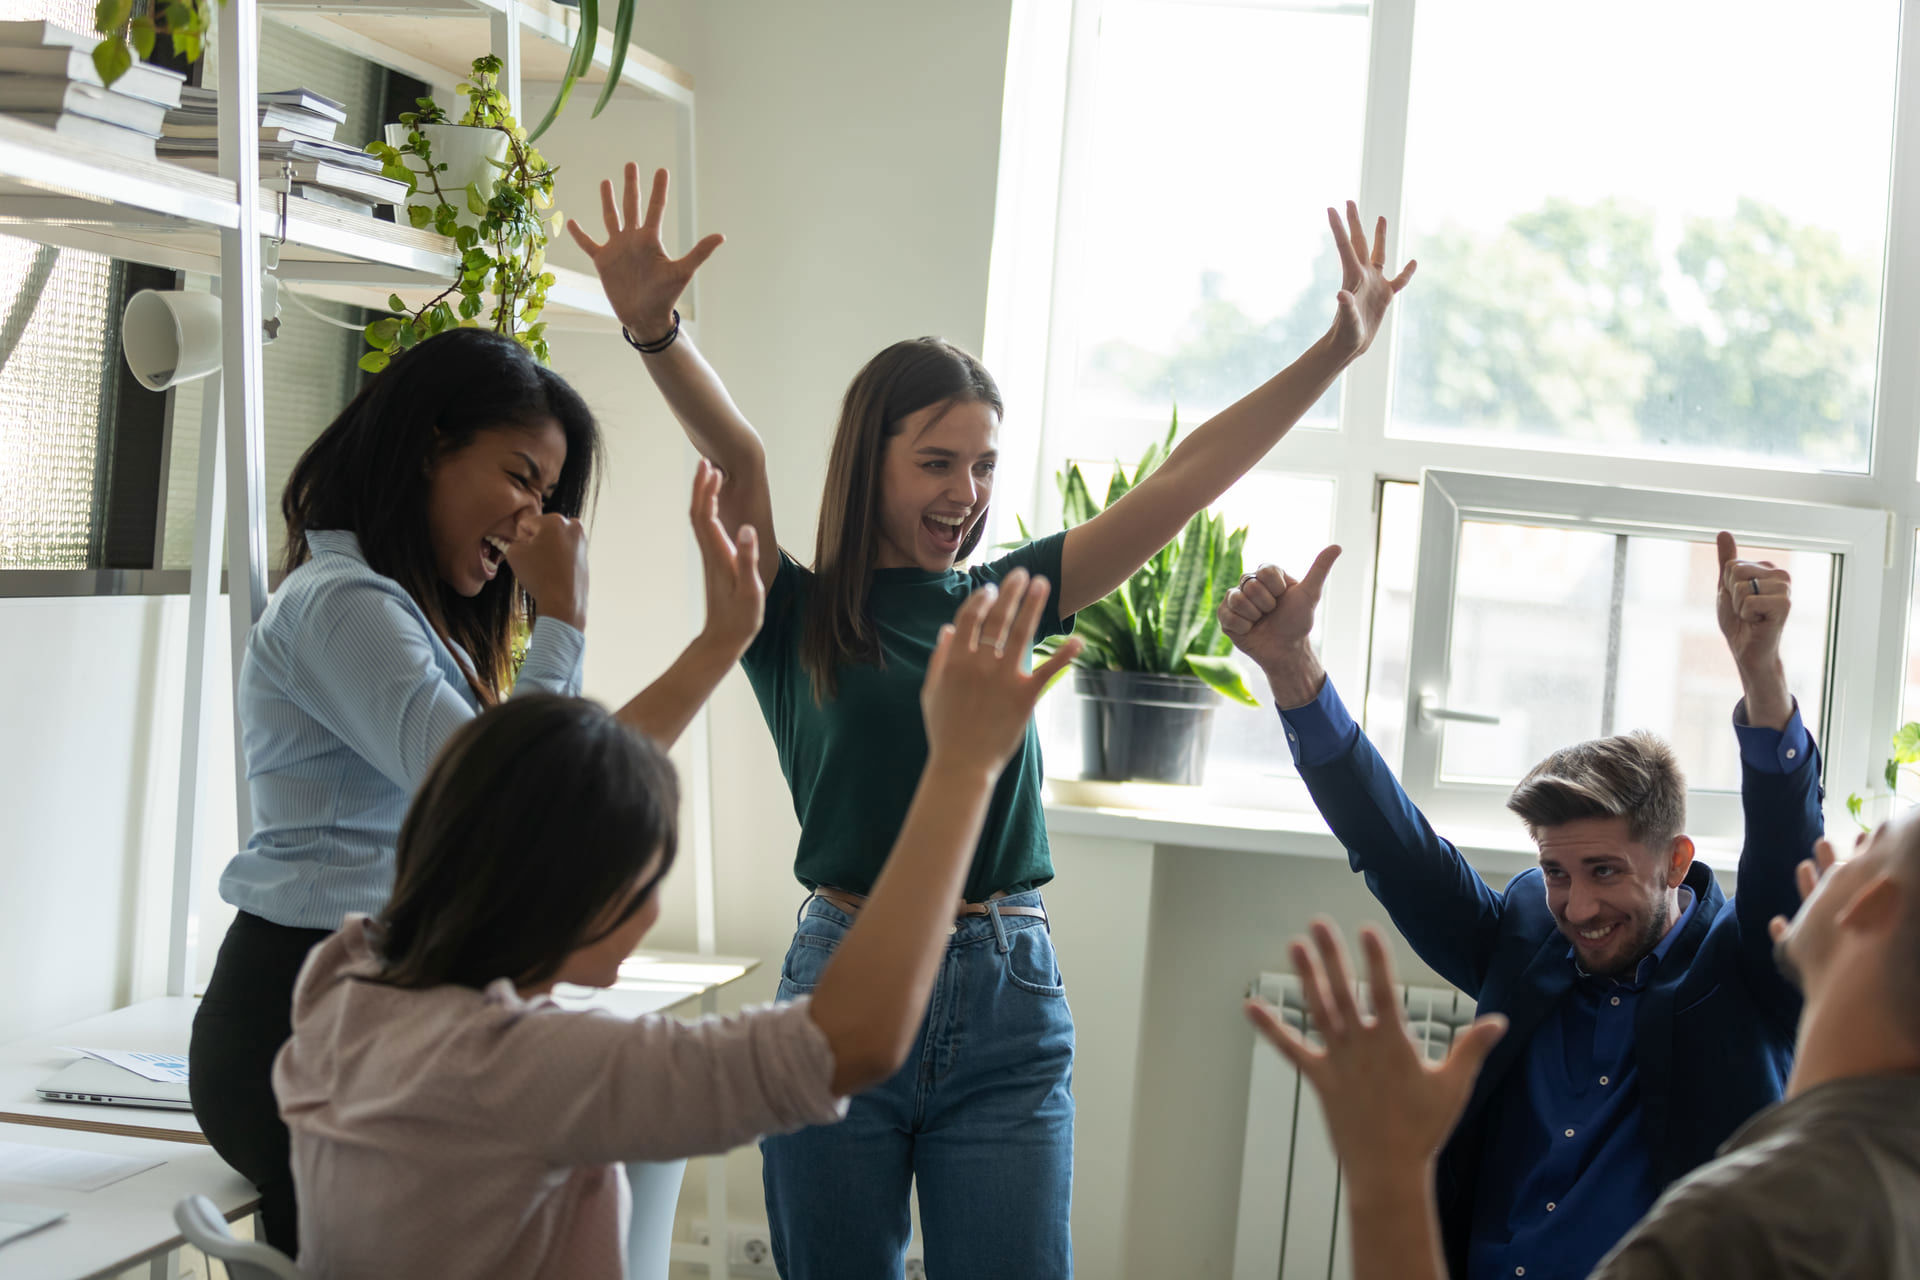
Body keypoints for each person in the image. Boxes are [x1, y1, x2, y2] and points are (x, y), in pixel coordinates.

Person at [566, 163, 1416, 1277]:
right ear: (868, 461)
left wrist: (1337, 351)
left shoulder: (1010, 597)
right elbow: (741, 458)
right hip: (842, 970)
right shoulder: (793, 613)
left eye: (982, 466)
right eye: (935, 462)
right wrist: (655, 330)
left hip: (1010, 993)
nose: (966, 492)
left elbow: (1186, 479)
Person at [276, 571, 1082, 1280]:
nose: (655, 907)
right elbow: (852, 1043)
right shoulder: (531, 1068)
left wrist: (722, 640)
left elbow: (529, 800)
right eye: (649, 875)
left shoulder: (345, 981)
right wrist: (964, 767)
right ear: (576, 888)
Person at [188, 323, 765, 1255]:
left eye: (548, 493)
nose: (535, 518)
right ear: (429, 449)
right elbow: (508, 795)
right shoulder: (344, 604)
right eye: (520, 477)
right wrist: (564, 619)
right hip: (298, 1005)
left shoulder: (417, 620)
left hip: (370, 1004)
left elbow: (562, 784)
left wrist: (719, 645)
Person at [1216, 532, 1821, 1280]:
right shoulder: (1528, 928)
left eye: (1604, 871)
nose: (1579, 906)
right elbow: (1397, 851)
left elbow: (1786, 848)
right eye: (1557, 872)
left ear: (1675, 860)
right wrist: (1290, 667)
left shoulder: (1745, 965)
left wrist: (1761, 674)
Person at [1247, 813, 1920, 1280]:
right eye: (1559, 874)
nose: (1830, 851)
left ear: (1873, 909)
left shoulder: (1728, 1229)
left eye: (1869, 840)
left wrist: (1387, 1170)